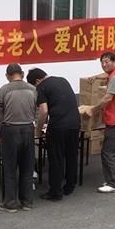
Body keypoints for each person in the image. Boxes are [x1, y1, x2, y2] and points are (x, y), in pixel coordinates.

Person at [26, 68, 80, 202]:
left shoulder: (41, 87)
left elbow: (44, 111)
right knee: (71, 155)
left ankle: (55, 192)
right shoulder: (63, 80)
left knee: (56, 158)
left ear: (37, 81)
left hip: (58, 126)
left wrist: (38, 131)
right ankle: (70, 186)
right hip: (75, 124)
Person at [82, 52, 115, 193]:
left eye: (107, 62)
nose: (104, 65)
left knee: (108, 152)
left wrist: (93, 110)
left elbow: (108, 98)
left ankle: (113, 183)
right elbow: (106, 75)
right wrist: (96, 76)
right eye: (102, 62)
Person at [0, 63, 37, 213]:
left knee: (10, 168)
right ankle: (27, 202)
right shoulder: (33, 89)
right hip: (28, 129)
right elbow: (37, 111)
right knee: (27, 167)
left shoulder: (4, 90)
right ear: (23, 74)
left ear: (7, 76)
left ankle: (11, 203)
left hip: (10, 130)